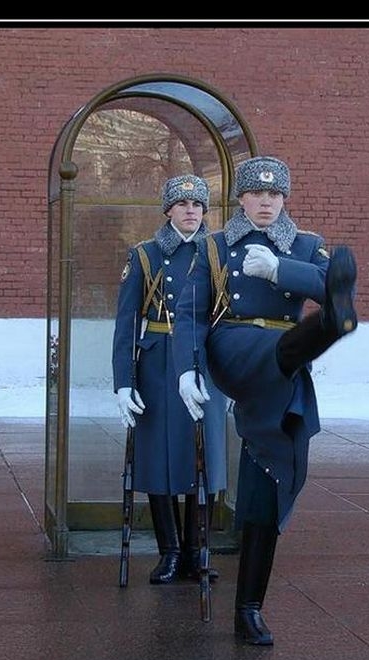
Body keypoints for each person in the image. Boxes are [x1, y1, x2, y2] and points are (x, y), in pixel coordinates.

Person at [172, 156, 357, 645]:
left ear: (284, 198)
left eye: (275, 195)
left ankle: (249, 609)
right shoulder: (214, 246)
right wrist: (187, 369)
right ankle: (332, 327)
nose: (267, 202)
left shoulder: (305, 246)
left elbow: (333, 284)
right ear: (242, 198)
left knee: (272, 479)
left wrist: (281, 270)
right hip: (234, 347)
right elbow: (190, 313)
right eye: (257, 194)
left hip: (281, 367)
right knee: (287, 345)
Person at [112, 174, 227, 584]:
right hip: (158, 363)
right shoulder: (146, 255)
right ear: (168, 210)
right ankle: (171, 552)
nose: (191, 211)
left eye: (197, 205)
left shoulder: (218, 252)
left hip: (203, 360)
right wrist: (123, 381)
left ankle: (197, 552)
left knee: (204, 457)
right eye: (182, 204)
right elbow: (127, 323)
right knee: (159, 458)